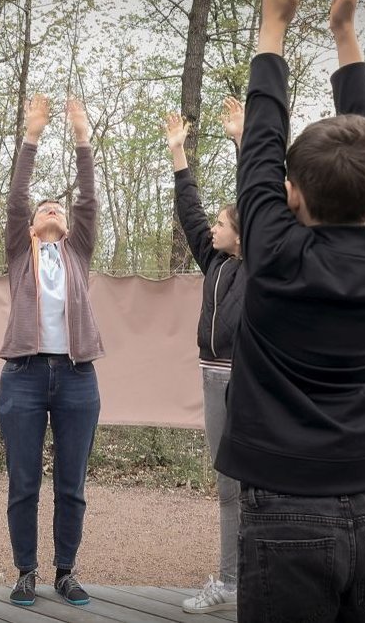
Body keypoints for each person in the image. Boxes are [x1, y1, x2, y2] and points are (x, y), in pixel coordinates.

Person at [214, 0, 365, 620]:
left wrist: (275, 23)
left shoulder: (273, 254)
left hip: (282, 517)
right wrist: (343, 33)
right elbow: (297, 149)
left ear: (290, 194)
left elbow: (260, 142)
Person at [0, 93, 102, 607]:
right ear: (32, 225)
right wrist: (32, 135)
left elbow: (88, 200)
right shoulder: (21, 252)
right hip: (23, 375)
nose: (52, 209)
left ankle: (65, 571)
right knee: (23, 482)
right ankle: (25, 572)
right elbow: (17, 198)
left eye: (57, 207)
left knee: (71, 483)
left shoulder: (78, 250)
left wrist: (82, 136)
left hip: (77, 378)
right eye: (45, 208)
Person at [166, 99, 245, 614]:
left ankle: (261, 578)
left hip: (252, 379)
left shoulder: (262, 264)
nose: (212, 229)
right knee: (228, 485)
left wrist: (242, 143)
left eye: (222, 223)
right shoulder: (214, 260)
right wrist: (178, 155)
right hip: (214, 379)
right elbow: (190, 211)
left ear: (242, 231)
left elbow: (258, 200)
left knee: (258, 484)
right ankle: (233, 582)